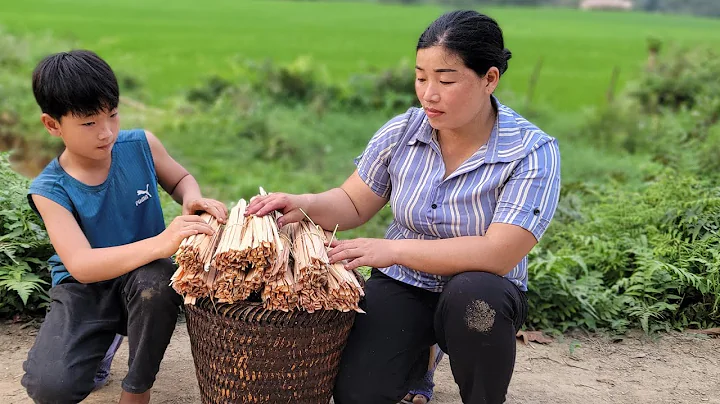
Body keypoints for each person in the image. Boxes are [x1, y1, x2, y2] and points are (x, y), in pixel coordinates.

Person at [247, 9, 561, 404]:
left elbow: (498, 253)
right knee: (359, 394)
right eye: (421, 77)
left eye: (446, 80)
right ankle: (421, 359)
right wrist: (302, 204)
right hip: (406, 282)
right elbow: (352, 201)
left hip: (480, 286)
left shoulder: (530, 151)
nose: (429, 93)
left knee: (475, 302)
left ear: (490, 79)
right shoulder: (403, 132)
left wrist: (390, 249)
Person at [20, 50, 227, 404]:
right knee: (50, 388)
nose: (106, 132)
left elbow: (181, 179)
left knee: (158, 283)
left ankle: (137, 388)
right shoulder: (49, 190)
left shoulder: (141, 145)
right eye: (88, 123)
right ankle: (101, 341)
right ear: (53, 125)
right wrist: (164, 242)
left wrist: (191, 197)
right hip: (85, 290)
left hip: (144, 278)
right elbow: (82, 266)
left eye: (112, 115)